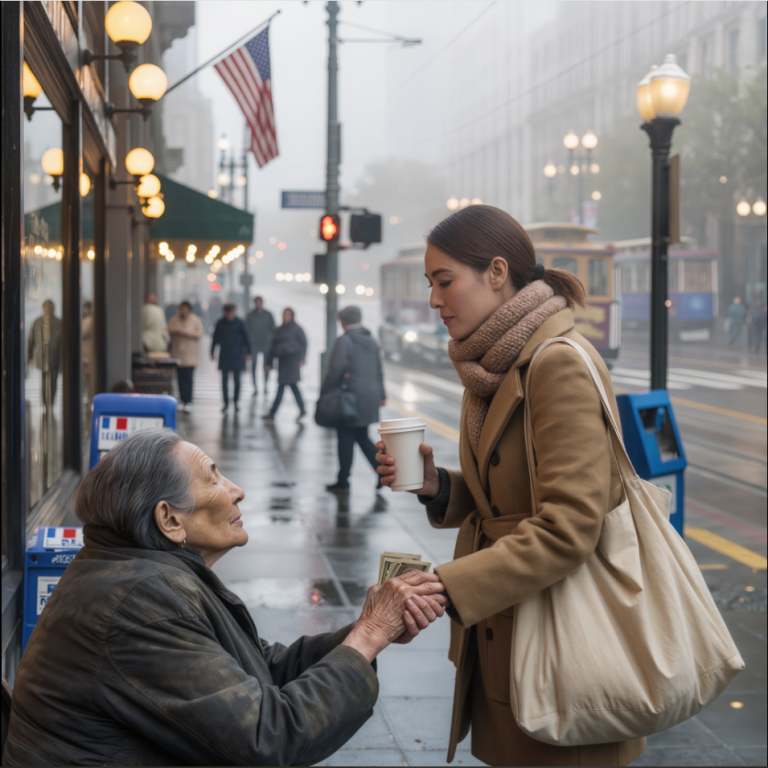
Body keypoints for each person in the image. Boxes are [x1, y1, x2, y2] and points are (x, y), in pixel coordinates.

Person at [375, 205, 646, 767]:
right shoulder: (493, 364)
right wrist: (436, 486)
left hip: (565, 646)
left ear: (497, 272)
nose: (434, 300)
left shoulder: (555, 364)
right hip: (513, 633)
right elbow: (508, 495)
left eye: (445, 281)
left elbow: (569, 527)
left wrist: (445, 586)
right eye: (429, 284)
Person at [3, 429, 447, 766]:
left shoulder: (140, 573)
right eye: (213, 477)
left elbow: (259, 668)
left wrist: (366, 633)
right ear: (169, 520)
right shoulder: (139, 603)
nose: (237, 490)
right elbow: (270, 738)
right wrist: (369, 634)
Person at [322, 305, 386, 493]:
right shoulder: (372, 340)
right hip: (369, 398)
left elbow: (335, 370)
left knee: (345, 438)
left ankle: (343, 481)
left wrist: (325, 392)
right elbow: (379, 370)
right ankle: (380, 471)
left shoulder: (344, 340)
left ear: (342, 321)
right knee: (361, 436)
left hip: (349, 399)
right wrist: (382, 395)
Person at [263, 308, 308, 422]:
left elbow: (304, 344)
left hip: (292, 362)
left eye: (288, 315)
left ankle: (273, 413)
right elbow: (272, 346)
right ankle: (301, 409)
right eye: (285, 314)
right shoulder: (279, 330)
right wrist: (268, 362)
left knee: (288, 386)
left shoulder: (297, 329)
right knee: (288, 386)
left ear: (292, 316)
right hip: (283, 362)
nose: (286, 317)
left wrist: (302, 358)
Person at [211, 303, 251, 412]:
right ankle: (225, 403)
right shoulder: (220, 323)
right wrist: (212, 352)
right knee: (224, 381)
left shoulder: (240, 322)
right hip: (224, 354)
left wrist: (249, 352)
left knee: (237, 380)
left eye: (231, 312)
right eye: (227, 312)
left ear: (234, 311)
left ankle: (236, 402)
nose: (229, 314)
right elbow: (215, 338)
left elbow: (246, 338)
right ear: (224, 312)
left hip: (238, 354)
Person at [168, 301, 204, 413]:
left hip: (191, 355)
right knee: (180, 379)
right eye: (181, 308)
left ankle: (188, 401)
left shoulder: (195, 320)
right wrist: (177, 330)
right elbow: (168, 329)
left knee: (189, 379)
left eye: (185, 308)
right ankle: (182, 400)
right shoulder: (175, 319)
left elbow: (199, 333)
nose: (183, 311)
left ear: (189, 309)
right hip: (178, 354)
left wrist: (186, 331)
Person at [27, 299, 62, 406]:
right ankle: (45, 402)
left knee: (53, 380)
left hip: (54, 356)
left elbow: (63, 341)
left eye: (50, 307)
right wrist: (30, 356)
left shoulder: (59, 323)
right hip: (42, 355)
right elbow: (31, 340)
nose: (48, 309)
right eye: (46, 307)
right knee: (43, 380)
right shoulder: (37, 322)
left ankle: (51, 402)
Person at [246, 296, 276, 396]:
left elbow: (273, 329)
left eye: (260, 302)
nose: (258, 304)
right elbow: (246, 330)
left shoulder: (268, 315)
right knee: (254, 366)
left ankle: (265, 385)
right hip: (254, 344)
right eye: (256, 302)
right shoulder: (250, 315)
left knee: (266, 366)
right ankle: (255, 387)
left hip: (265, 344)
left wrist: (272, 342)